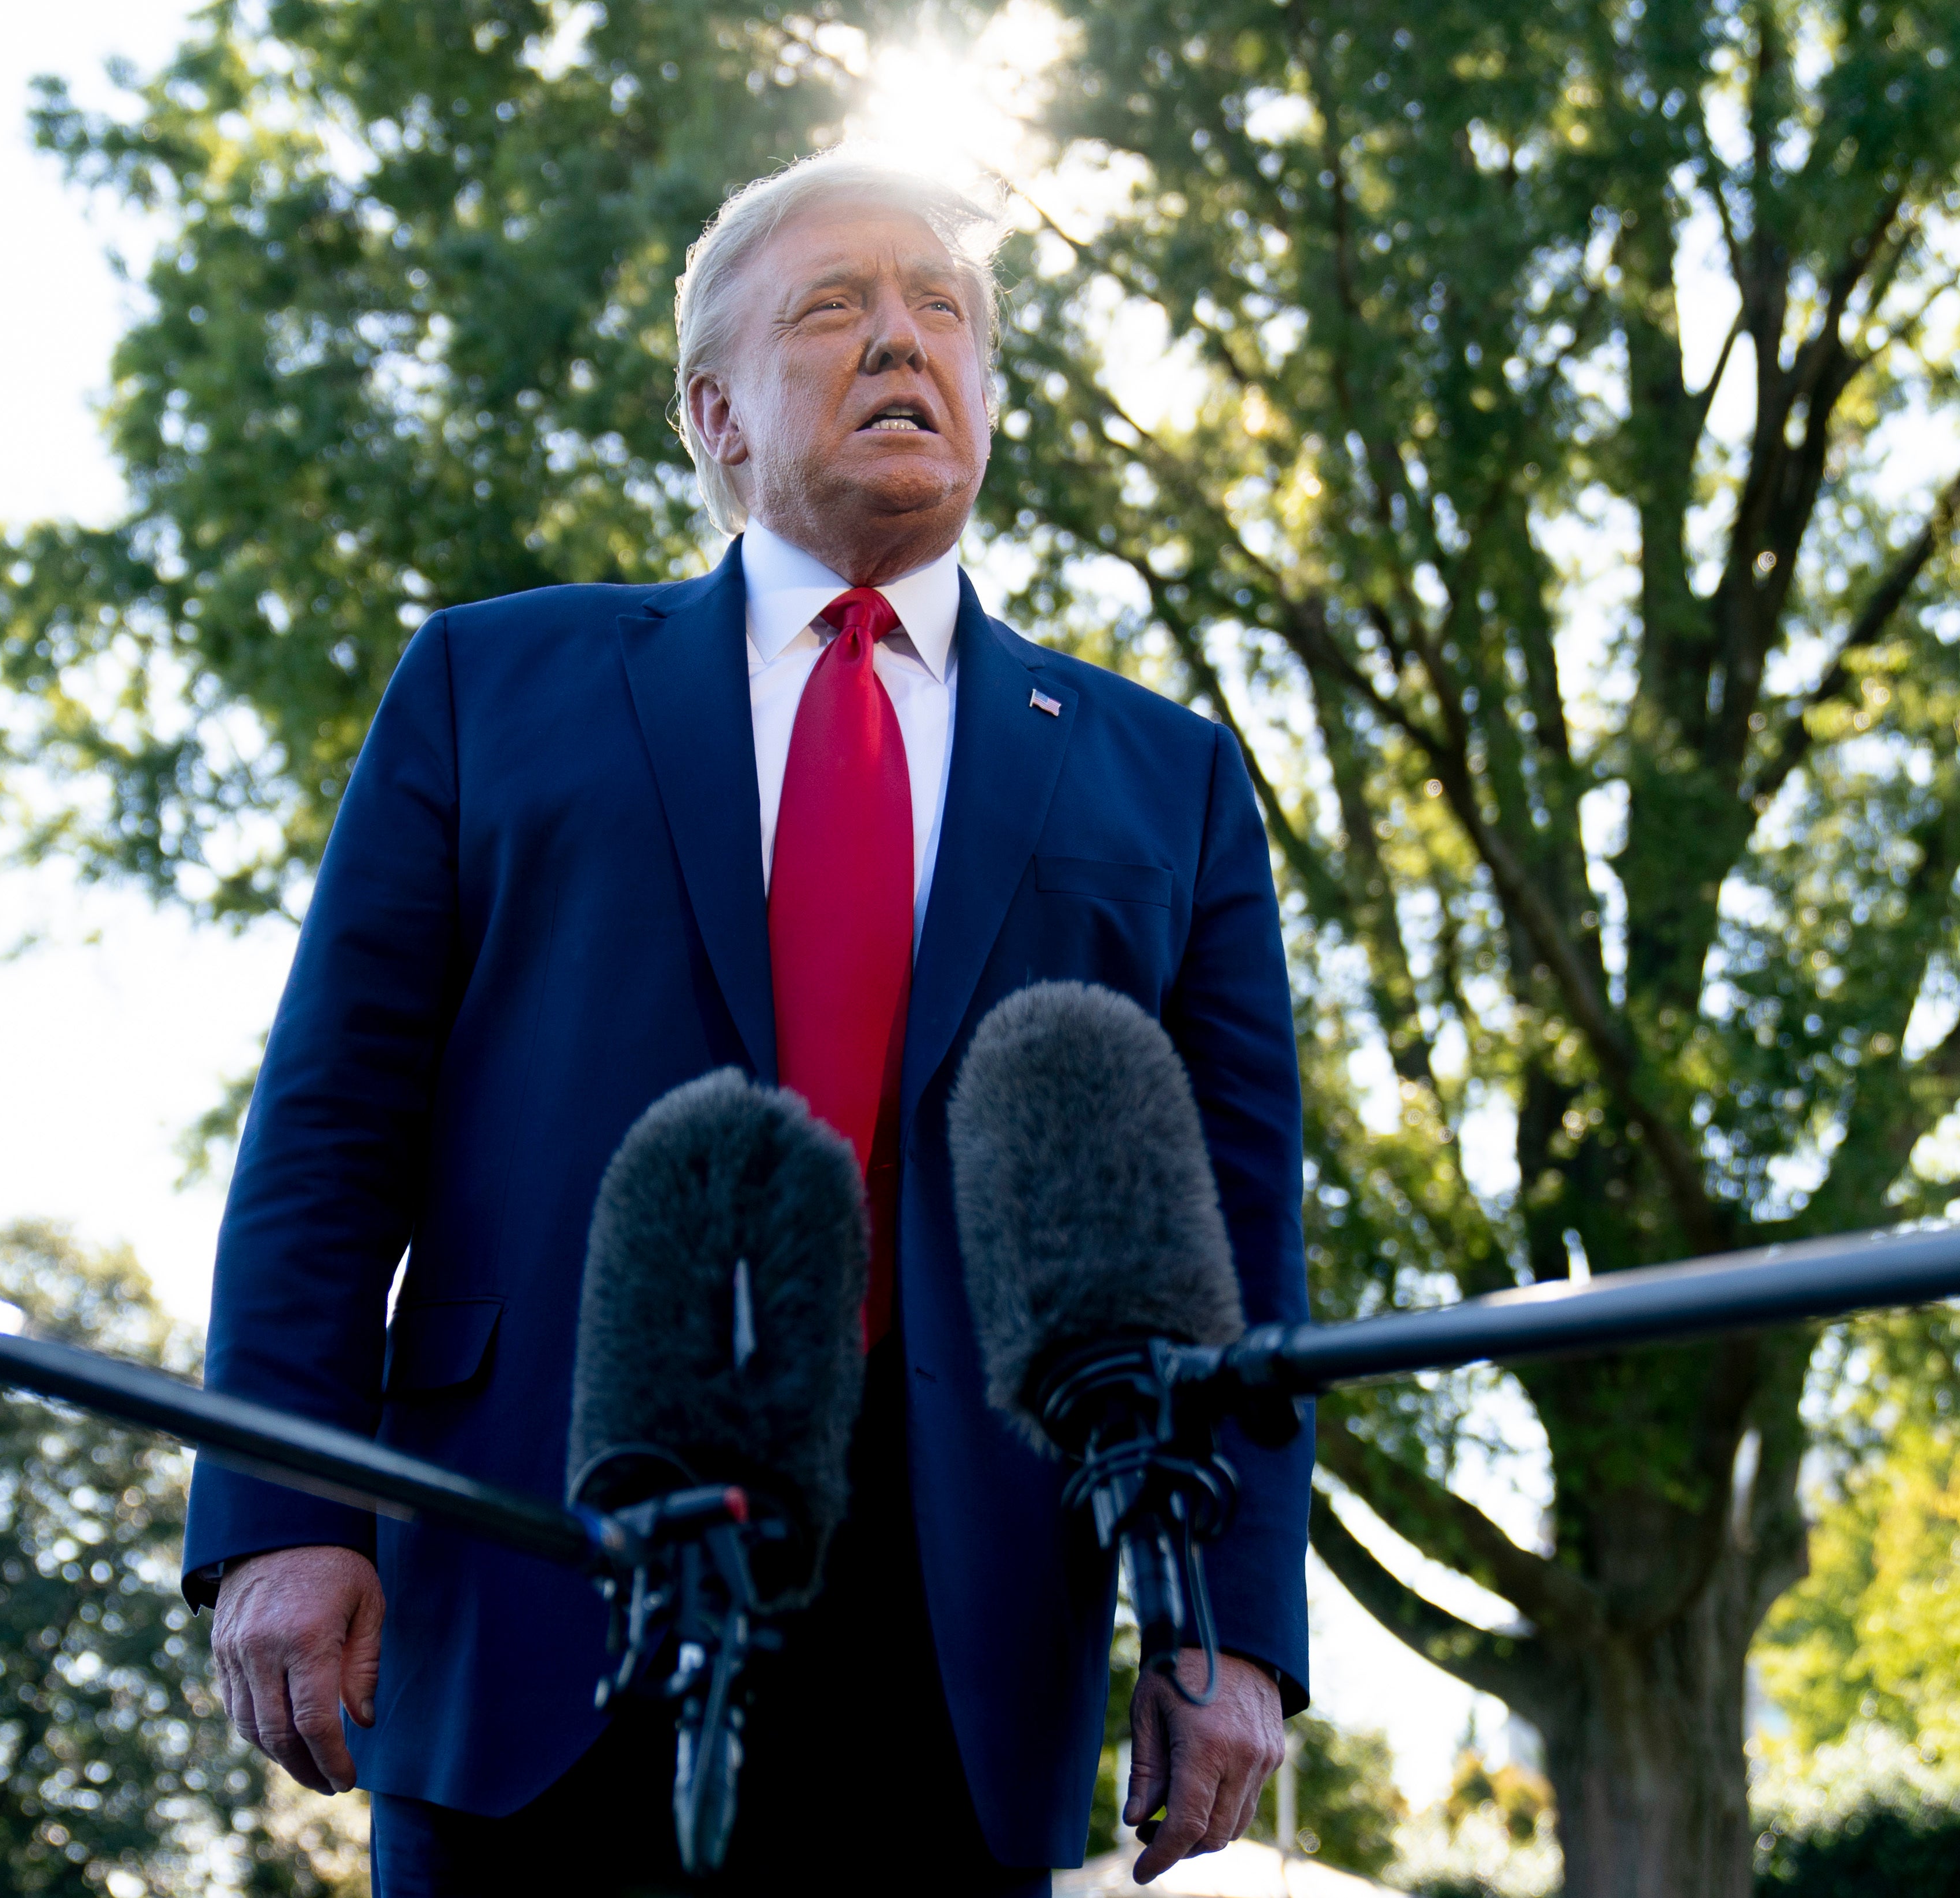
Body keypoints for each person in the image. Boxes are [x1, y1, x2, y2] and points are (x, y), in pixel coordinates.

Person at [182, 148, 1312, 1896]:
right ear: (713, 412)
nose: (900, 342)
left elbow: (1238, 1244)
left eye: (941, 310)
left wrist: (1224, 1624)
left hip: (965, 1625)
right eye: (835, 309)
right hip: (543, 1548)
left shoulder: (1169, 777)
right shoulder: (493, 685)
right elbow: (331, 1134)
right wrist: (283, 1507)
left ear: (989, 398)